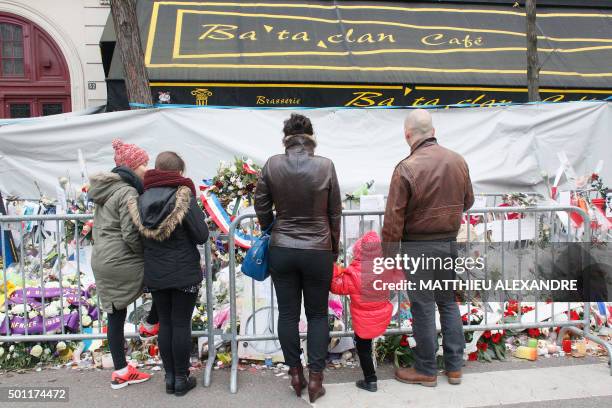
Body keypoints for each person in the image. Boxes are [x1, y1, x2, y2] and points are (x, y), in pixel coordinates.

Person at [382, 109, 474, 387]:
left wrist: (388, 257)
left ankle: (426, 369)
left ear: (407, 135)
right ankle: (455, 367)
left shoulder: (406, 168)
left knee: (423, 307)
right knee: (447, 303)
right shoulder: (457, 160)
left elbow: (393, 218)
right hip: (447, 244)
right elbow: (468, 201)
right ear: (432, 131)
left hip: (418, 248)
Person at [254, 113, 342, 403]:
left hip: (283, 245)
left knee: (288, 314)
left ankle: (295, 374)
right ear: (311, 137)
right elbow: (334, 213)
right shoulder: (326, 166)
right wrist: (334, 249)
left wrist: (271, 226)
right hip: (318, 247)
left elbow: (261, 204)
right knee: (317, 314)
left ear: (286, 137)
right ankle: (316, 378)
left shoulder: (272, 164)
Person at [128, 151, 209, 397]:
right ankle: (182, 379)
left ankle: (170, 378)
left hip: (156, 273)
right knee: (181, 324)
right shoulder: (183, 196)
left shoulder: (140, 199)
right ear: (178, 172)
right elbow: (201, 235)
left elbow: (137, 239)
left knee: (166, 324)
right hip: (184, 272)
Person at [90, 139, 154, 389]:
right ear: (133, 166)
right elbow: (129, 234)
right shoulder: (127, 191)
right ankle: (150, 324)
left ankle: (121, 370)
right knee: (163, 277)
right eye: (144, 163)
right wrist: (145, 254)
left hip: (102, 257)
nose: (147, 168)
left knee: (115, 314)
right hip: (120, 258)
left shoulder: (106, 190)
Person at [330, 231, 393, 392]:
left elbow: (337, 286)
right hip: (381, 314)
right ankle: (372, 369)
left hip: (363, 318)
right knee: (369, 342)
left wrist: (335, 269)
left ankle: (370, 380)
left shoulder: (354, 272)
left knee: (363, 347)